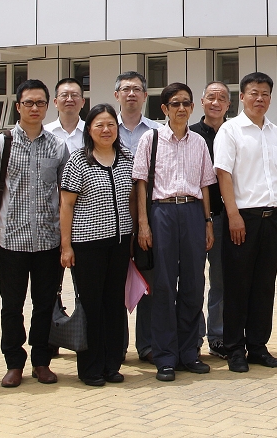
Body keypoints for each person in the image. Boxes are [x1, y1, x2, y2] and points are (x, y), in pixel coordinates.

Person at [0, 79, 71, 388]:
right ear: (18, 106)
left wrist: (65, 238)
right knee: (12, 305)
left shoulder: (57, 146)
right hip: (11, 239)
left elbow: (65, 194)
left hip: (48, 240)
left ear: (48, 107)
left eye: (40, 103)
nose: (35, 108)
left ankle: (42, 361)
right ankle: (13, 362)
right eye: (29, 103)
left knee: (45, 303)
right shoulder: (1, 144)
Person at [134, 83, 217, 381]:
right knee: (165, 286)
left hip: (193, 212)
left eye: (186, 103)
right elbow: (140, 183)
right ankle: (165, 357)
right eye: (175, 103)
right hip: (162, 212)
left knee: (194, 284)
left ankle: (188, 352)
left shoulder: (198, 142)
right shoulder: (150, 139)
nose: (181, 108)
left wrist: (208, 222)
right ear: (164, 109)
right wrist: (143, 224)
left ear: (193, 107)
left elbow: (206, 184)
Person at [215, 72, 277, 373]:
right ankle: (234, 348)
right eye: (254, 93)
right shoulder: (230, 131)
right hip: (242, 218)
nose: (260, 99)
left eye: (265, 94)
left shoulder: (275, 131)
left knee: (264, 286)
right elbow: (223, 174)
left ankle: (258, 346)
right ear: (242, 97)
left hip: (272, 218)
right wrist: (233, 215)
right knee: (237, 286)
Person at [60, 105, 135, 386]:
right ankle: (91, 367)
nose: (106, 130)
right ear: (89, 130)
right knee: (92, 306)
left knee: (114, 304)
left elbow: (131, 199)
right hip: (87, 245)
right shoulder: (78, 160)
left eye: (111, 125)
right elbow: (66, 205)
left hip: (119, 243)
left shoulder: (127, 158)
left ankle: (112, 363)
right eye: (99, 125)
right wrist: (66, 246)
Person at [114, 71, 162, 363]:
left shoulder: (157, 131)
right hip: (112, 215)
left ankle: (147, 344)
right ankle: (116, 344)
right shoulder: (105, 127)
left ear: (145, 96)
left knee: (149, 281)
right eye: (125, 89)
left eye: (137, 89)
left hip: (150, 215)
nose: (131, 94)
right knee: (114, 283)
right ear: (116, 95)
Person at [190, 81, 232, 359]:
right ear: (202, 102)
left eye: (222, 99)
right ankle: (192, 338)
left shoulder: (236, 132)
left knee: (220, 281)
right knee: (192, 281)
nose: (216, 103)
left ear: (230, 104)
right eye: (211, 97)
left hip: (228, 217)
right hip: (193, 218)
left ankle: (218, 336)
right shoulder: (190, 135)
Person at [47, 77, 86, 154]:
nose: (69, 99)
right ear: (55, 102)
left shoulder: (91, 132)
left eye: (74, 95)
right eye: (64, 95)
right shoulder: (46, 132)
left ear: (82, 102)